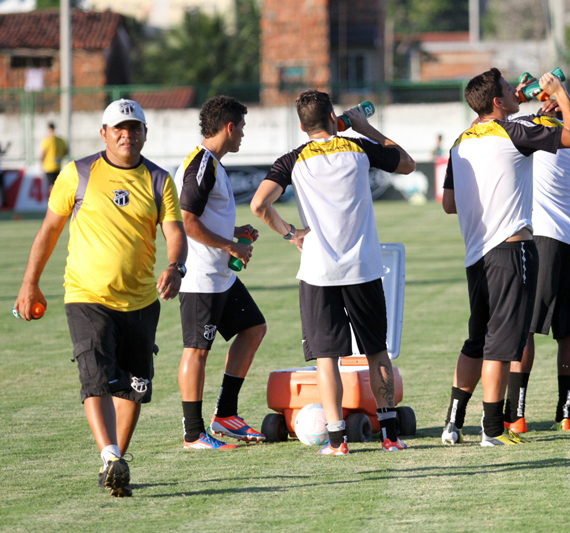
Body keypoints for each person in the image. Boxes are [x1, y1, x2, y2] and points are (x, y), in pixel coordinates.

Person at [14, 99, 187, 496]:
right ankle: (109, 454)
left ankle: (115, 464)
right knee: (94, 376)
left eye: (135, 128)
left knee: (134, 388)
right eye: (119, 129)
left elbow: (175, 233)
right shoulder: (78, 173)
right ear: (104, 133)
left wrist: (176, 267)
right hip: (86, 295)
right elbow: (48, 232)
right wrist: (30, 282)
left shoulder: (160, 180)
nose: (128, 135)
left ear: (146, 133)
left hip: (142, 300)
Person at [250, 89, 415, 455]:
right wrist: (367, 128)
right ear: (331, 118)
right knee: (376, 352)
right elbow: (407, 164)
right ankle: (390, 435)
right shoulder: (357, 148)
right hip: (363, 268)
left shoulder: (292, 159)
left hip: (319, 271)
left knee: (328, 358)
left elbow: (259, 204)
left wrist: (291, 234)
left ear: (301, 125)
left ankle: (337, 441)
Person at [440, 68, 570, 446]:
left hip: (476, 252)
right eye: (508, 89)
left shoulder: (461, 141)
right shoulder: (513, 133)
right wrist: (559, 91)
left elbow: (450, 204)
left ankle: (453, 422)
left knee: (477, 339)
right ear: (496, 101)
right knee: (502, 345)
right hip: (512, 248)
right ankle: (492, 430)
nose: (515, 91)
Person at [503, 99, 570, 433]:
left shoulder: (542, 136)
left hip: (542, 238)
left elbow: (506, 129)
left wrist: (534, 111)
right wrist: (566, 99)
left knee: (526, 328)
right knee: (567, 331)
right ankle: (566, 413)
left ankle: (516, 415)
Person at [174, 95, 267, 450]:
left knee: (253, 328)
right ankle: (194, 433)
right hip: (201, 278)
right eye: (241, 127)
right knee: (196, 351)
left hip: (221, 277)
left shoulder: (213, 164)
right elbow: (187, 222)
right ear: (229, 127)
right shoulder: (202, 165)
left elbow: (204, 219)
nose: (243, 134)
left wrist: (235, 233)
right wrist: (231, 246)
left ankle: (226, 415)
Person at [40, 122, 68, 193]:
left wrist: (41, 162)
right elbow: (66, 151)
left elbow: (43, 153)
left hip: (49, 167)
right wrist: (60, 157)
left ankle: (53, 201)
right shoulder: (60, 140)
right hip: (58, 166)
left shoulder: (47, 140)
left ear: (49, 129)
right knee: (57, 185)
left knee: (51, 185)